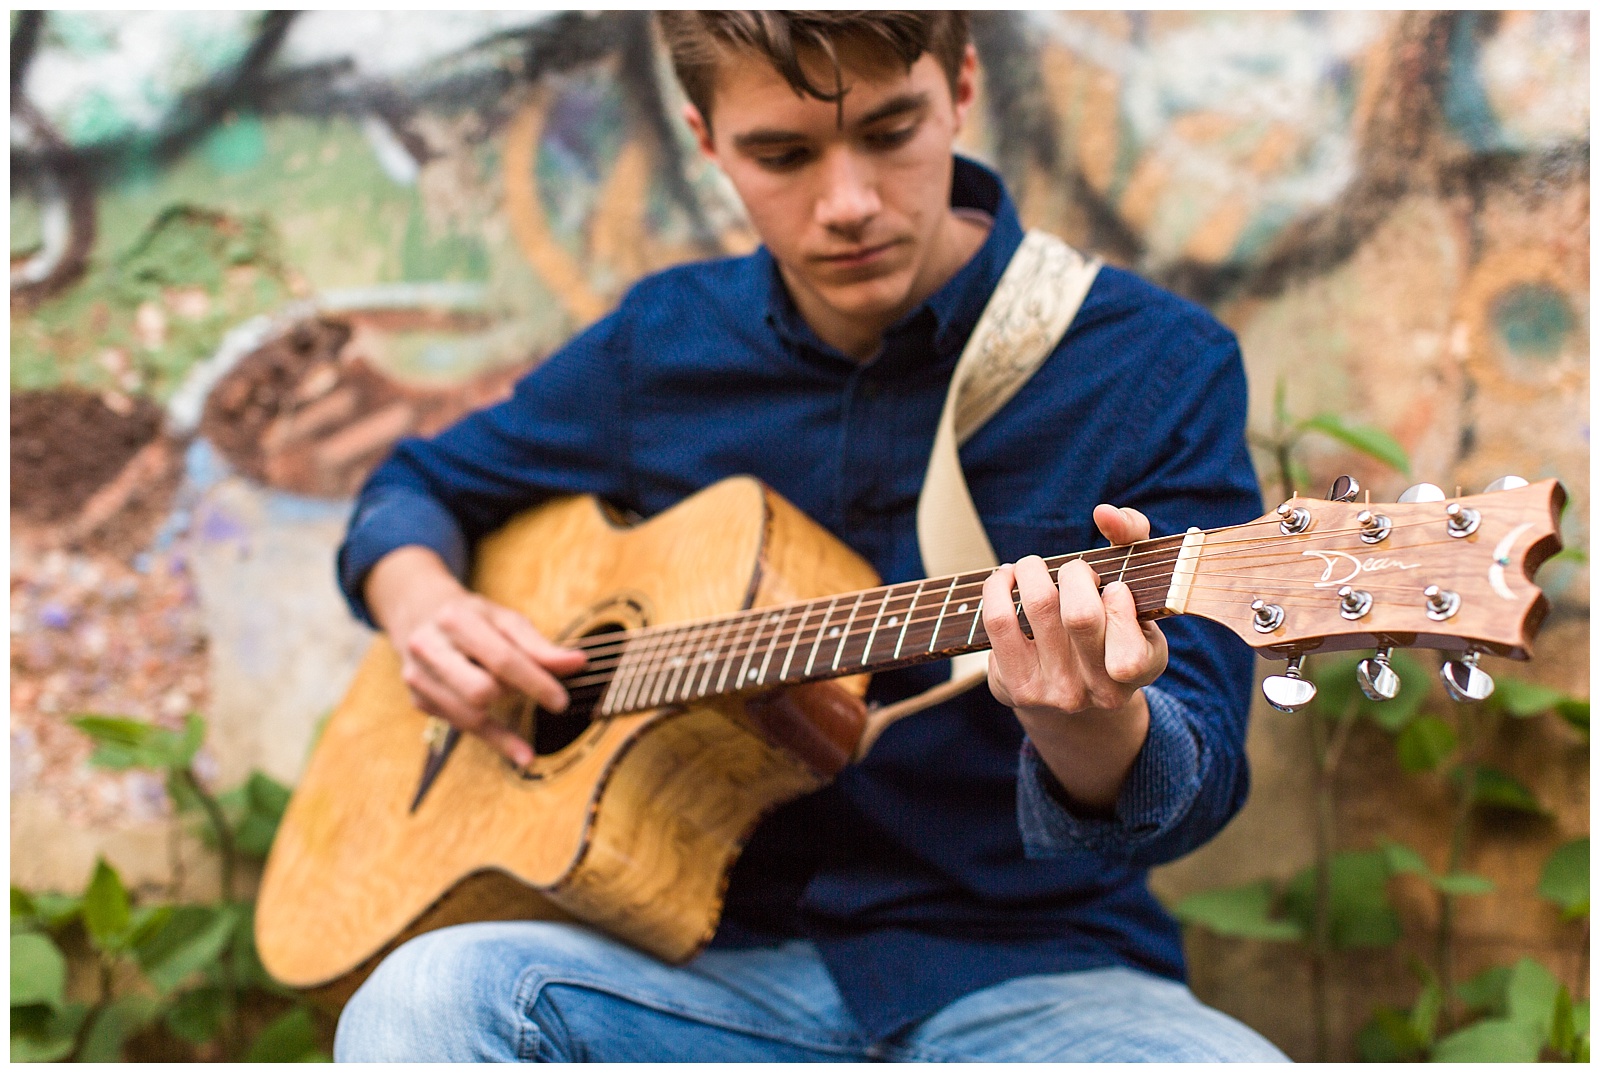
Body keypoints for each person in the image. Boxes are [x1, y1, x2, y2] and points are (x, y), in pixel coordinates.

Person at [331, 11, 1287, 1063]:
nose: (847, 205)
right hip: (691, 968)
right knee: (427, 998)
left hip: (1031, 972)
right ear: (704, 139)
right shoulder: (664, 345)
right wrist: (424, 605)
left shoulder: (1149, 363)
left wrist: (1091, 728)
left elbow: (1193, 779)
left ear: (960, 86)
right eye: (781, 154)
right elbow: (416, 486)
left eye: (890, 131)